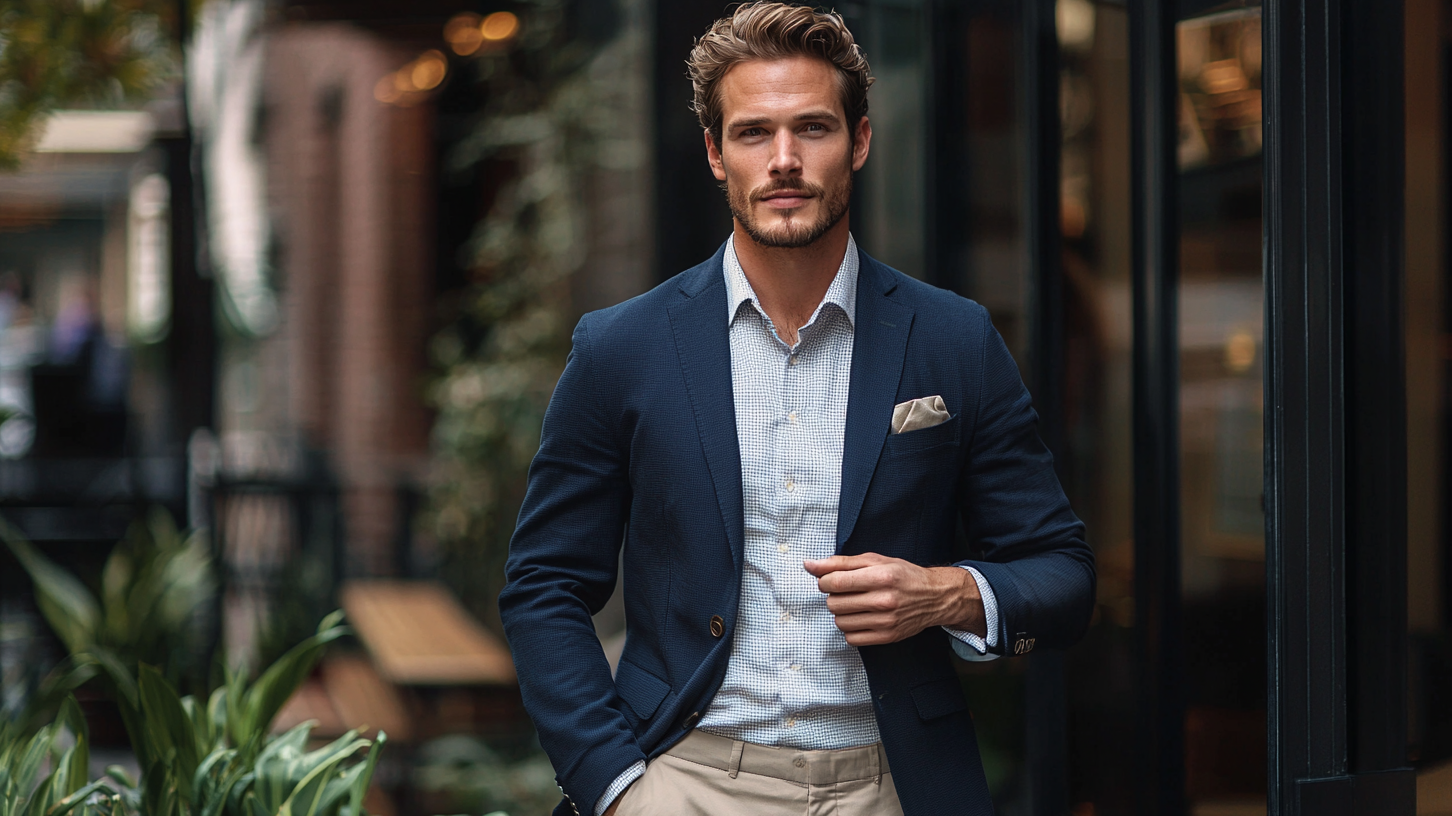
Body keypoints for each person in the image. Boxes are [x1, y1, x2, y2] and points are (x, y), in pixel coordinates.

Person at [498, 4, 1095, 815]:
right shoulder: (622, 348)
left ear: (860, 141)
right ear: (716, 153)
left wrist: (943, 593)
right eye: (753, 133)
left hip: (891, 784)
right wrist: (616, 788)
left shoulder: (953, 338)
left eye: (812, 127)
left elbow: (1062, 576)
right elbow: (544, 585)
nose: (784, 160)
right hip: (686, 779)